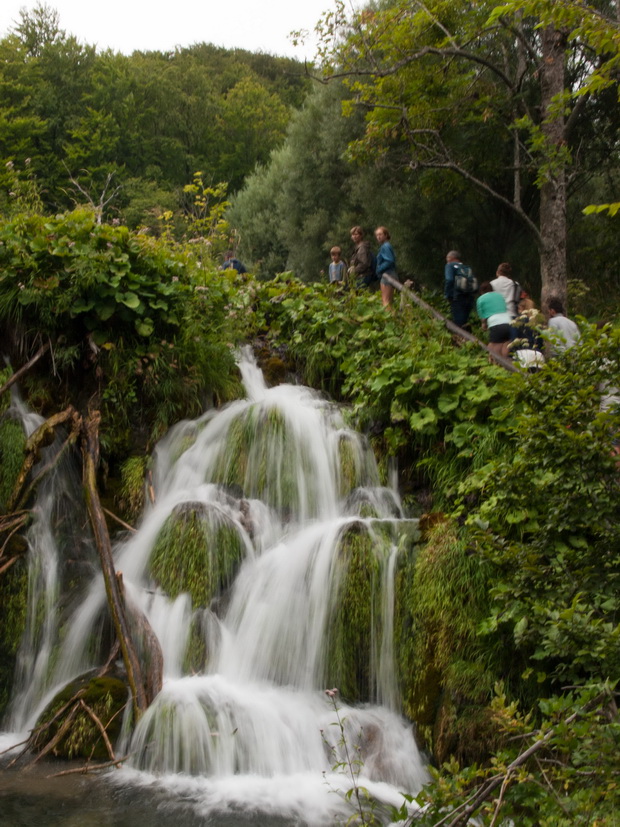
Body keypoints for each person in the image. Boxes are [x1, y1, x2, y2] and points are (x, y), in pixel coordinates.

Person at [476, 281, 512, 357]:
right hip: (509, 321)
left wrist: (484, 325)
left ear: (481, 291)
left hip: (496, 323)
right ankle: (507, 364)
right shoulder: (500, 296)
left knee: (494, 348)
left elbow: (482, 317)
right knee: (505, 344)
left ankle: (493, 364)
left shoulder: (480, 299)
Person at [444, 250, 475, 328]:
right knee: (464, 321)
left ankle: (462, 338)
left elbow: (449, 280)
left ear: (450, 258)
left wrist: (447, 295)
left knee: (458, 323)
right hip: (469, 297)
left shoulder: (450, 266)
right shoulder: (466, 268)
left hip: (457, 297)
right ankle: (468, 337)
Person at [375, 226, 397, 308]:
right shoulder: (387, 246)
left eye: (380, 234)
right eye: (377, 235)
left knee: (386, 302)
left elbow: (389, 260)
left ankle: (388, 320)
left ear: (386, 235)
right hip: (391, 274)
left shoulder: (385, 246)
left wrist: (379, 269)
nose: (378, 237)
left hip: (387, 274)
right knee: (389, 302)